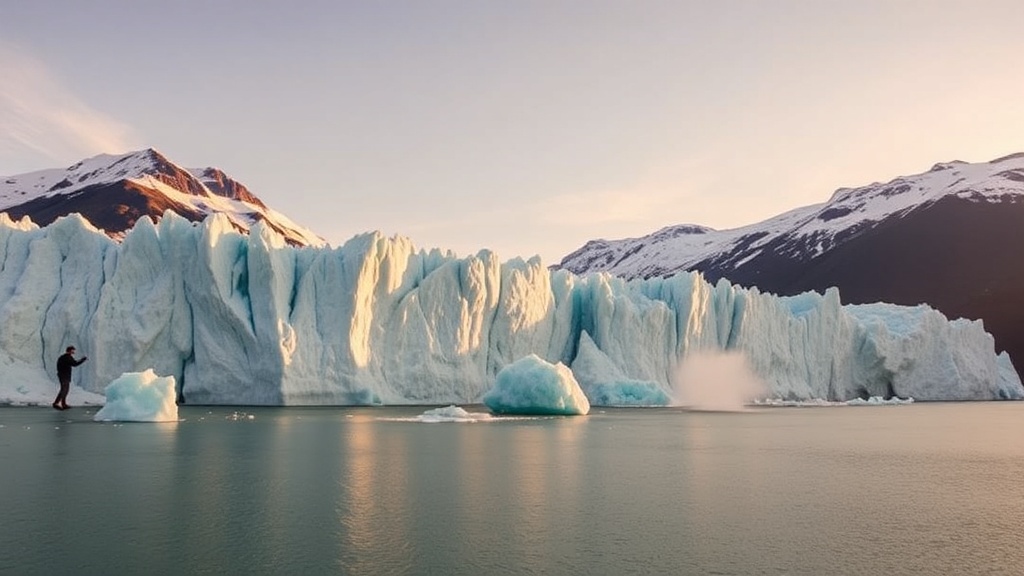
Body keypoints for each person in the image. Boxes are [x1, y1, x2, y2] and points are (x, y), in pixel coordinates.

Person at [53, 346, 87, 410]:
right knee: (64, 389)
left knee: (64, 389)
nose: (74, 352)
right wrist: (82, 360)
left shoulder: (62, 357)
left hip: (62, 375)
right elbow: (75, 364)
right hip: (64, 375)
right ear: (70, 351)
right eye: (73, 350)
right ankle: (56, 403)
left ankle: (63, 404)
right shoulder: (67, 357)